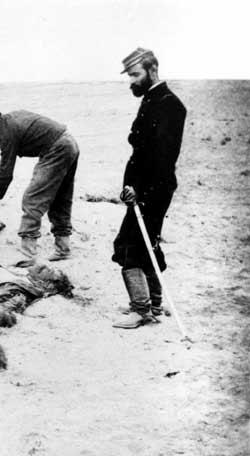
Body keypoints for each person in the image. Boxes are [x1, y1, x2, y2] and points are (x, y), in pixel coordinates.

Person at [112, 48, 186, 329]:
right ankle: (153, 304)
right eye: (130, 75)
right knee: (147, 242)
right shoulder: (151, 99)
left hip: (154, 188)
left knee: (128, 244)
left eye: (135, 74)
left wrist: (138, 191)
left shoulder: (169, 104)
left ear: (152, 69)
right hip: (145, 187)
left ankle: (141, 311)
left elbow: (161, 158)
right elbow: (140, 152)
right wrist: (129, 186)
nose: (131, 81)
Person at [0, 104, 80, 262]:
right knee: (60, 198)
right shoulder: (10, 122)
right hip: (69, 143)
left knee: (32, 199)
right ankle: (63, 249)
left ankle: (27, 255)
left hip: (57, 148)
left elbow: (6, 173)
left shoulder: (6, 131)